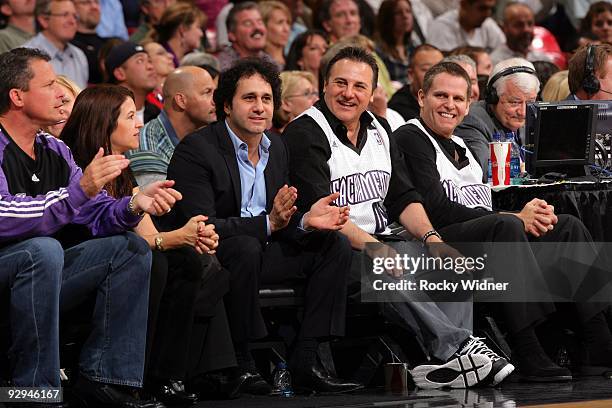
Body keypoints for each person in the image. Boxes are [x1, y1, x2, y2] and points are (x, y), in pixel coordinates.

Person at [283, 46, 514, 389]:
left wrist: (433, 240)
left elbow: (402, 196)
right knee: (386, 265)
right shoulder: (305, 133)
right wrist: (375, 247)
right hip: (331, 249)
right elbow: (324, 213)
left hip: (383, 239)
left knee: (449, 261)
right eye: (340, 84)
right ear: (324, 86)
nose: (349, 94)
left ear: (373, 91)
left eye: (359, 86)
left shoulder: (379, 129)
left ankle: (444, 369)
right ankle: (459, 348)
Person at [393, 60, 612, 381]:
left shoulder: (458, 143)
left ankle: (598, 339)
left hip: (478, 232)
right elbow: (436, 207)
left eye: (458, 99)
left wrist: (533, 213)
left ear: (469, 105)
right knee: (506, 227)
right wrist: (510, 217)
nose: (450, 105)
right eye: (441, 96)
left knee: (564, 225)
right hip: (435, 241)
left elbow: (478, 200)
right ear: (422, 97)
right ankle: (527, 349)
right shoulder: (411, 136)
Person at [160, 58, 364, 394]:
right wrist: (267, 224)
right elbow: (201, 227)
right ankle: (241, 364)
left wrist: (306, 222)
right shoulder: (196, 150)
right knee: (245, 247)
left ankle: (307, 359)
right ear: (226, 105)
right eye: (249, 98)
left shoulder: (277, 146)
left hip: (263, 249)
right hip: (214, 254)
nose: (259, 108)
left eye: (266, 99)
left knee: (333, 243)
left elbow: (281, 219)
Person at [0, 47, 181, 407]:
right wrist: (77, 193)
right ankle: (34, 393)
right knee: (43, 249)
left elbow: (95, 213)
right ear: (17, 96)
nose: (61, 93)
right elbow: (5, 216)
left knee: (130, 248)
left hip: (44, 271)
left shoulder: (54, 148)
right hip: (12, 266)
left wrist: (133, 204)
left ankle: (104, 378)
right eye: (49, 84)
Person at [60, 84, 224, 406]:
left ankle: (162, 378)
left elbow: (147, 234)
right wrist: (181, 235)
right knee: (159, 262)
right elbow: (125, 238)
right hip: (79, 266)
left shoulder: (122, 166)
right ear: (104, 123)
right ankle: (126, 377)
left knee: (186, 261)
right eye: (130, 116)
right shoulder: (78, 166)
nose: (139, 123)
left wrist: (188, 236)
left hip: (124, 256)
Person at [127, 66, 217, 186]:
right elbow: (158, 203)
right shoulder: (148, 149)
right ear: (181, 101)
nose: (215, 100)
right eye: (207, 92)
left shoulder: (212, 136)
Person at [454, 58, 539, 179]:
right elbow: (481, 170)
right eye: (514, 102)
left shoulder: (531, 118)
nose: (523, 112)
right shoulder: (472, 121)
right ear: (493, 97)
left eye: (530, 102)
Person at [23, 0, 88, 88]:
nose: (72, 21)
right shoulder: (25, 56)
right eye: (65, 15)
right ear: (44, 20)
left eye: (75, 16)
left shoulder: (80, 55)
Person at [106, 41, 160, 124]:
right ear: (120, 74)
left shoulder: (156, 114)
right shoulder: (106, 115)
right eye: (140, 61)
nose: (150, 66)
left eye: (149, 61)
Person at [388, 44, 443, 121]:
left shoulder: (451, 99)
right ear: (411, 74)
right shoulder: (399, 107)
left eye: (440, 69)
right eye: (426, 69)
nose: (435, 74)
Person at [427, 0, 505, 53]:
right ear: (464, 5)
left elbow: (503, 52)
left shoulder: (487, 24)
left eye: (491, 9)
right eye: (482, 8)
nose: (487, 14)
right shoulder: (441, 27)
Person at [216, 2, 275, 71]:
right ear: (232, 35)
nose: (257, 27)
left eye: (259, 22)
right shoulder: (223, 67)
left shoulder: (269, 61)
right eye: (248, 23)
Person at [490, 2, 551, 67]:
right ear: (504, 28)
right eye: (519, 25)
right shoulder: (495, 63)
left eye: (530, 24)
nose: (526, 29)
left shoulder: (542, 59)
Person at [151, 2, 206, 67]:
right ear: (182, 30)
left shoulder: (195, 60)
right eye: (198, 27)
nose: (201, 34)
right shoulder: (161, 64)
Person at [375, 0, 416, 85]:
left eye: (408, 11)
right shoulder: (378, 50)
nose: (405, 16)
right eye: (398, 13)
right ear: (387, 17)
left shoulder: (413, 46)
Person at [71, 0, 106, 84]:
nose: (94, 7)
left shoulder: (109, 43)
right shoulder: (68, 46)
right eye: (86, 2)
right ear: (72, 8)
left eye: (97, 2)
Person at [259, 0, 291, 69]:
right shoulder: (259, 63)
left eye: (288, 22)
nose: (286, 29)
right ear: (264, 25)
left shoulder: (293, 60)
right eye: (280, 22)